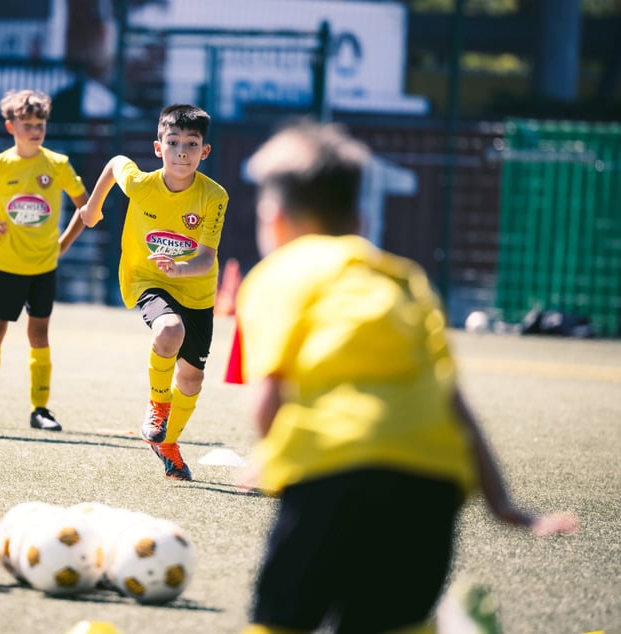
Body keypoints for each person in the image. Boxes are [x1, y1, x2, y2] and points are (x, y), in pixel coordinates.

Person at [230, 119, 580, 633]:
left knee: (282, 620)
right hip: (431, 485)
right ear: (360, 217)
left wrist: (272, 455)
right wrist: (503, 504)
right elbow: (454, 403)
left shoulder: (277, 275)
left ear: (275, 221)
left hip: (333, 473)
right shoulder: (404, 278)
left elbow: (268, 398)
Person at [79, 104, 229, 481]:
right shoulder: (142, 185)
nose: (182, 151)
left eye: (192, 144)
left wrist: (181, 267)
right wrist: (93, 207)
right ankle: (158, 405)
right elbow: (116, 163)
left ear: (204, 152)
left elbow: (207, 259)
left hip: (196, 290)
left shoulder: (214, 197)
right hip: (148, 279)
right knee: (168, 331)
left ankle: (168, 445)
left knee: (192, 379)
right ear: (158, 148)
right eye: (173, 142)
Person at [0, 89, 89, 432]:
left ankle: (40, 409)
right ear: (10, 126)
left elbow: (87, 208)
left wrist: (63, 244)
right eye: (28, 124)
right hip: (4, 264)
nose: (36, 130)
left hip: (44, 267)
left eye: (40, 124)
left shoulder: (58, 164)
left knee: (40, 334)